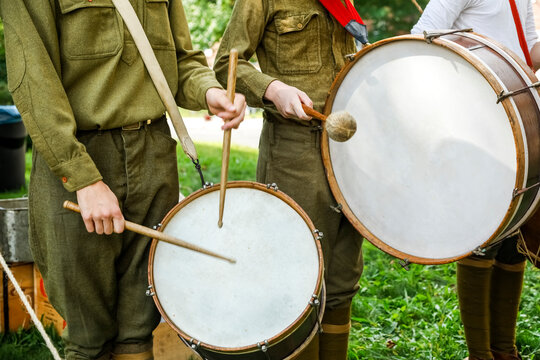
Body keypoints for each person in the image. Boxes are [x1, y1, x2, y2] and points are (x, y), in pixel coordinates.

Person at [0, 1, 246, 359]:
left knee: (138, 328)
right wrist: (85, 180)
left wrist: (210, 92)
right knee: (89, 338)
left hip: (153, 154)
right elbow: (34, 81)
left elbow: (182, 60)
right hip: (81, 155)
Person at [214, 1, 364, 359]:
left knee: (342, 279)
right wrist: (273, 89)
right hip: (295, 149)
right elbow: (226, 64)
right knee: (297, 278)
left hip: (349, 144)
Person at [412, 1, 540, 359]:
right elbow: (421, 36)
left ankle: (504, 350)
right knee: (482, 235)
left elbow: (530, 54)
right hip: (478, 119)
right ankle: (479, 354)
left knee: (514, 240)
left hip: (520, 121)